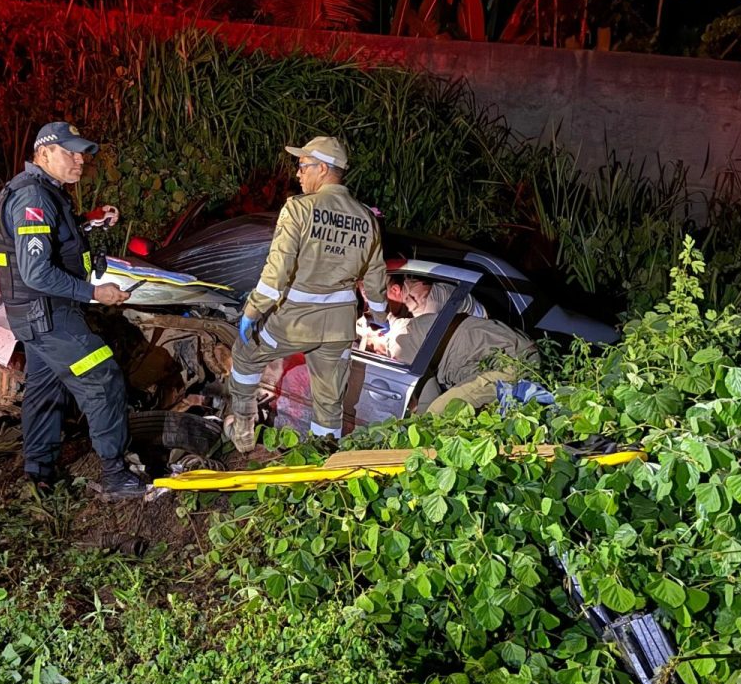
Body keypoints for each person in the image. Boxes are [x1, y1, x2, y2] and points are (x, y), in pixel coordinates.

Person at [0, 121, 144, 497]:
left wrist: (89, 221)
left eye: (82, 154)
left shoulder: (40, 190)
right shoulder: (34, 198)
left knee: (45, 388)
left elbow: (54, 236)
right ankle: (115, 475)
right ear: (44, 153)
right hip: (48, 314)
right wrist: (94, 292)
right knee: (102, 378)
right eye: (70, 152)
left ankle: (39, 472)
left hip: (34, 315)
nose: (80, 160)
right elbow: (36, 271)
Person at [225, 136, 390, 449]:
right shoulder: (367, 219)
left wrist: (253, 310)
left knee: (245, 356)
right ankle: (323, 459)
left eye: (303, 166)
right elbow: (375, 276)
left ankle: (243, 432)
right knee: (329, 403)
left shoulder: (299, 209)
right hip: (339, 328)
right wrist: (380, 318)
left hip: (294, 322)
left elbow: (277, 271)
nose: (298, 174)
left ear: (323, 169)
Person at [392, 277, 541, 415]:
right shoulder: (414, 325)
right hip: (510, 355)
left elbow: (427, 396)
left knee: (437, 413)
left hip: (516, 361)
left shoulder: (401, 342)